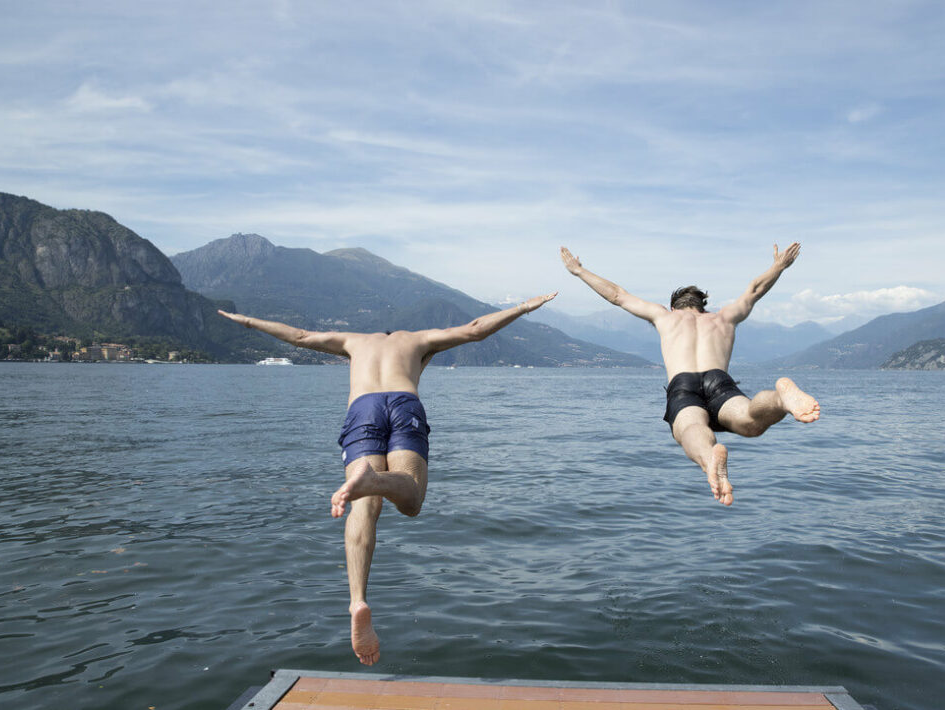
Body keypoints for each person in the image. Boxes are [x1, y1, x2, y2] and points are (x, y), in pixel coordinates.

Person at [218, 293, 556, 665]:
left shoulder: (354, 342)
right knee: (411, 501)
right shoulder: (418, 341)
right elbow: (475, 331)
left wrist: (248, 320)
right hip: (403, 402)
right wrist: (523, 307)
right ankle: (377, 481)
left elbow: (298, 336)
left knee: (362, 511)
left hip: (362, 408)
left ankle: (357, 599)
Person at [559, 244, 818, 506]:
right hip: (720, 382)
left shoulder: (663, 317)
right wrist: (778, 266)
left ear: (674, 308)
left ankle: (709, 459)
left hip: (683, 385)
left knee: (691, 428)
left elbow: (617, 295)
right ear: (702, 307)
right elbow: (755, 290)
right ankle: (779, 399)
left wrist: (579, 271)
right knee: (751, 419)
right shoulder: (724, 318)